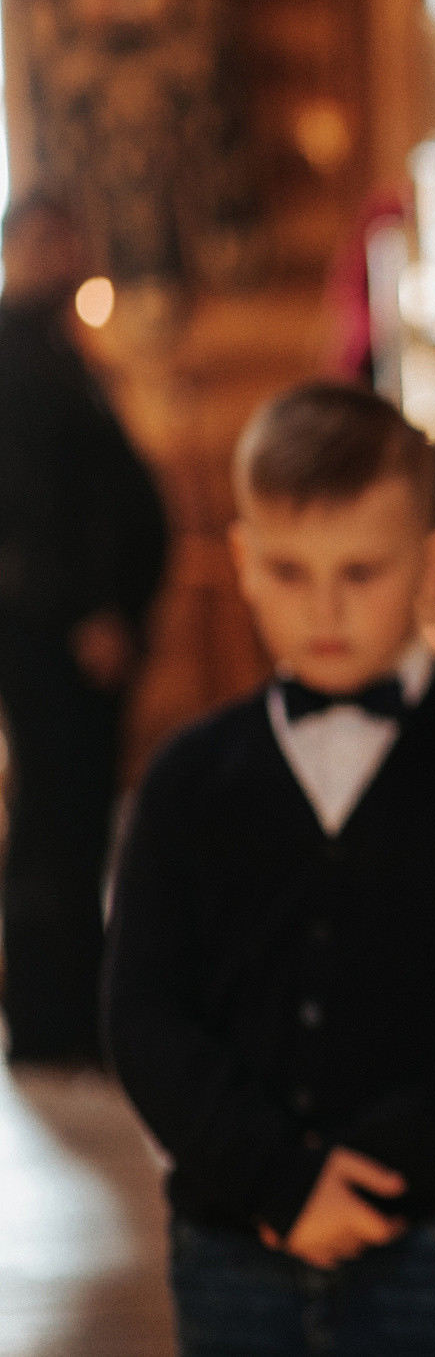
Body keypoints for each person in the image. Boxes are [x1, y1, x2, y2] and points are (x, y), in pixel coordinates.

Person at [103, 382, 435, 1356]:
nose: (324, 610)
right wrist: (277, 1179)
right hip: (237, 1250)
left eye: (361, 571)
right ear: (244, 562)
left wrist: (387, 1162)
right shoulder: (187, 777)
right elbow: (144, 1014)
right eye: (289, 571)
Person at [0, 194, 167, 1066]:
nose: (58, 255)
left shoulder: (60, 348)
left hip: (76, 630)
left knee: (78, 817)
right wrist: (88, 610)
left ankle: (71, 1000)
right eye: (40, 241)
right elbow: (33, 507)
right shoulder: (13, 355)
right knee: (55, 819)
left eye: (66, 238)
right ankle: (51, 1016)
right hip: (52, 633)